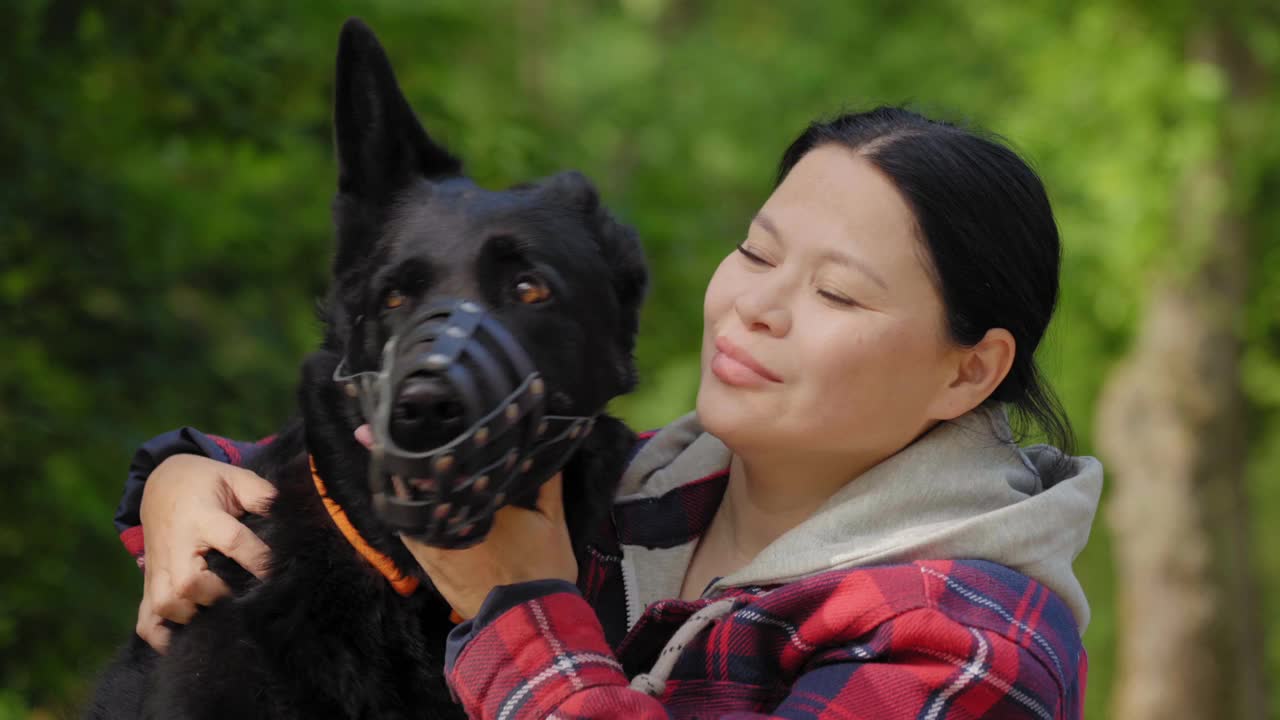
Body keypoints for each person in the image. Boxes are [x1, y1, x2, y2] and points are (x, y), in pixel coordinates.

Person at [114, 107, 1103, 718]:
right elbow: (350, 470)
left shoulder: (969, 645)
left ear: (965, 374)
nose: (754, 305)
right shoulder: (633, 486)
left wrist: (518, 611)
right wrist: (181, 480)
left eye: (836, 294)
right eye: (757, 253)